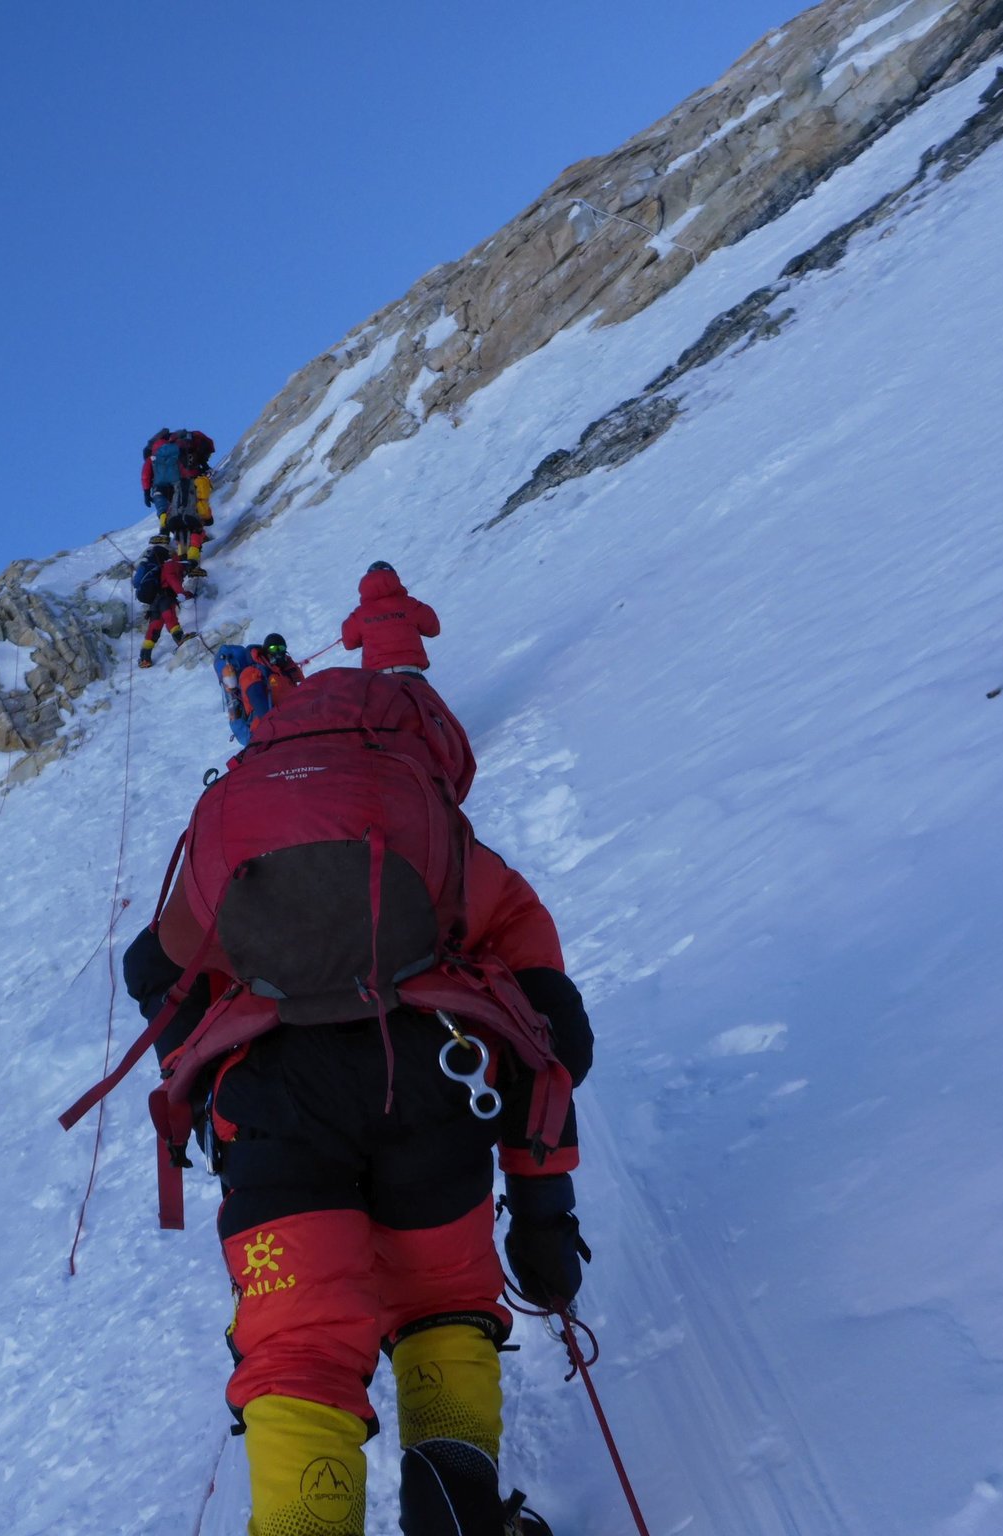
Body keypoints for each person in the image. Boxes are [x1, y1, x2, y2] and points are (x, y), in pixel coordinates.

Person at [83, 669, 593, 1536]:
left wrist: (200, 1081)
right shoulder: (440, 841)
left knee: (299, 1344)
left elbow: (152, 966)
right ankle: (457, 1506)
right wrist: (543, 1212)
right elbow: (550, 1039)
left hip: (273, 1110)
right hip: (431, 1082)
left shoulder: (234, 829)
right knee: (440, 1305)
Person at [341, 561, 440, 673]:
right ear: (394, 579)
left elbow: (349, 643)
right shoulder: (411, 605)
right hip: (412, 672)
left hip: (378, 678)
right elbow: (434, 630)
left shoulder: (360, 614)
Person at [143, 429, 217, 572]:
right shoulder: (182, 445)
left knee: (166, 511)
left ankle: (168, 537)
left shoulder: (154, 456)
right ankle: (192, 561)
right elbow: (202, 503)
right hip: (187, 501)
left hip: (166, 496)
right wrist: (208, 519)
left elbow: (145, 474)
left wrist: (146, 492)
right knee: (196, 530)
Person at [215, 633, 305, 746]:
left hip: (293, 726)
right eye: (273, 648)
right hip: (265, 734)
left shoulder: (285, 673)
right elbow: (262, 708)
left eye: (281, 648)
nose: (278, 652)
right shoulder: (252, 673)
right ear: (266, 651)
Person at [132, 538, 191, 669]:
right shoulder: (172, 565)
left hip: (154, 601)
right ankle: (180, 638)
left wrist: (187, 594)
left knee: (154, 627)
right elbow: (171, 579)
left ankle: (144, 657)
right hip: (165, 597)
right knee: (170, 616)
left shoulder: (158, 568)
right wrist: (181, 593)